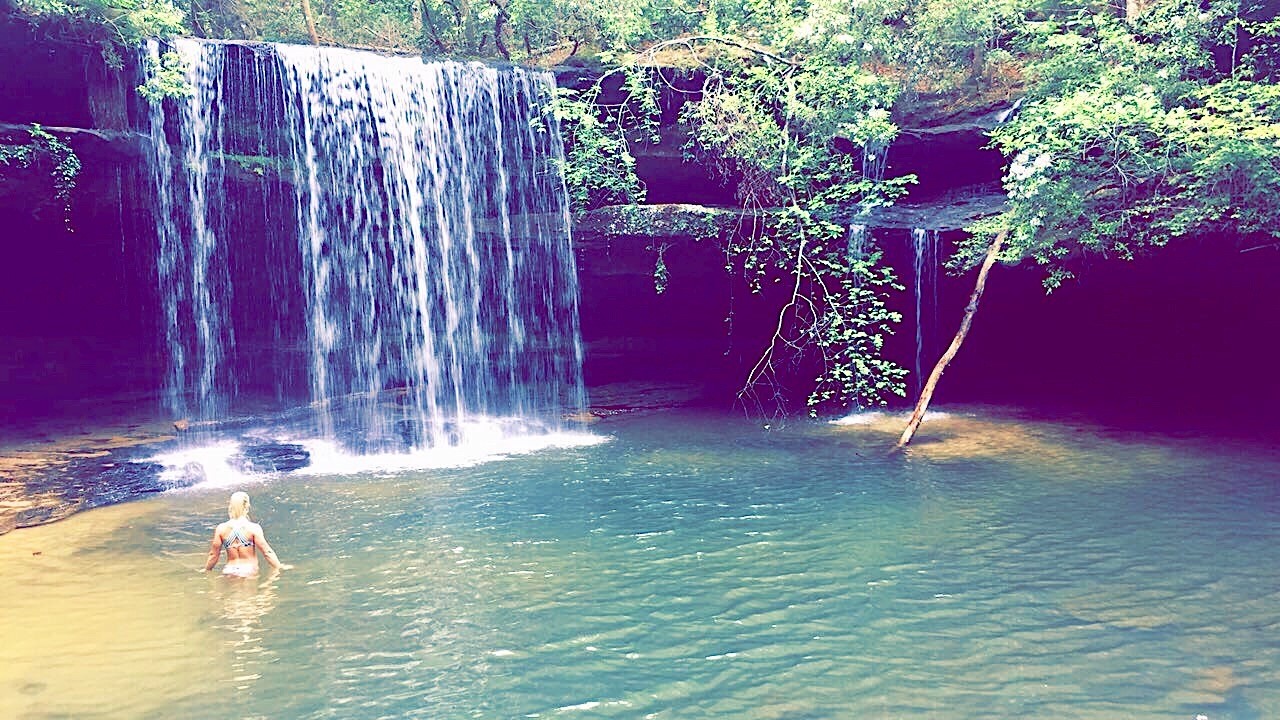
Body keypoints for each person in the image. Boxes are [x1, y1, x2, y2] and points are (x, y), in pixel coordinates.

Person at [203, 491, 290, 577]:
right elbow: (267, 552)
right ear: (247, 507)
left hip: (230, 570)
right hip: (248, 569)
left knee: (234, 591)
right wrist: (279, 567)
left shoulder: (221, 528)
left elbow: (213, 555)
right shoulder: (253, 528)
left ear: (231, 507)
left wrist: (206, 570)